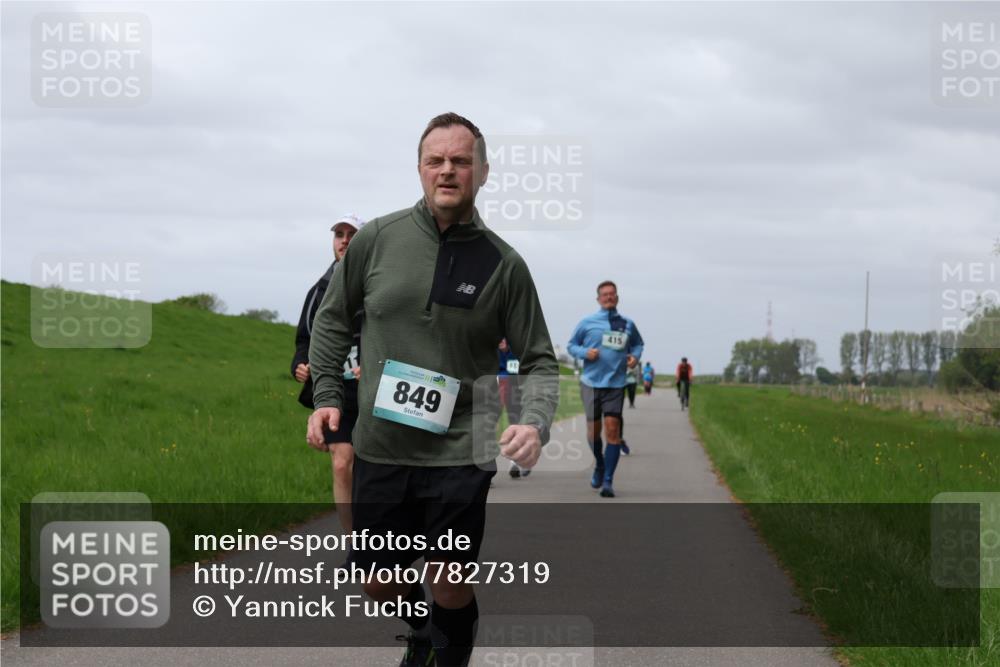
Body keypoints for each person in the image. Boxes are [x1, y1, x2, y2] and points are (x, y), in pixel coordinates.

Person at [306, 113, 558, 667]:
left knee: (448, 581)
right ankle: (423, 631)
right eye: (436, 161)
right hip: (381, 447)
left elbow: (539, 360)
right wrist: (327, 396)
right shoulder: (376, 239)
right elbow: (330, 321)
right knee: (377, 583)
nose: (448, 171)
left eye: (461, 161)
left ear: (483, 172)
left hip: (459, 451)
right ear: (419, 170)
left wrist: (533, 422)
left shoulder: (504, 264)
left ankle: (446, 652)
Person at [292, 214, 365, 533]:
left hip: (376, 392)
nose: (345, 240)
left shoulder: (379, 284)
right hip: (337, 392)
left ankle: (380, 540)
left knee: (374, 472)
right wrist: (300, 363)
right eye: (339, 234)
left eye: (352, 234)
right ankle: (354, 544)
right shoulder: (318, 290)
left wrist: (377, 363)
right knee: (341, 461)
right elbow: (305, 338)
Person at [568, 281, 644, 497]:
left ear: (617, 298)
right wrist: (584, 353)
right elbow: (571, 345)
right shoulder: (587, 322)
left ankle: (608, 481)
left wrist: (635, 357)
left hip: (616, 384)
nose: (609, 297)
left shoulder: (628, 324)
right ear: (598, 299)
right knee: (593, 433)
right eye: (605, 294)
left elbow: (638, 344)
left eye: (612, 294)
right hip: (590, 384)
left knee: (612, 431)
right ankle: (600, 465)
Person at [498, 339, 529, 479]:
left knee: (516, 424)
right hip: (492, 386)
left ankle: (515, 462)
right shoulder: (490, 350)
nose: (501, 341)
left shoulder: (516, 351)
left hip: (513, 387)